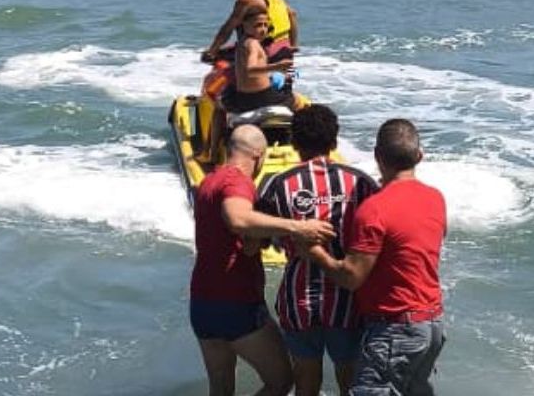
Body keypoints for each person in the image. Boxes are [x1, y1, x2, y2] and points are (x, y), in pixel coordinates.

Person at [298, 118, 448, 396]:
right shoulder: (435, 198)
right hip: (432, 324)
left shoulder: (375, 209)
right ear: (419, 155)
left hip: (395, 328)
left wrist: (315, 252)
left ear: (378, 157)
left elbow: (351, 277)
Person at [190, 124, 336, 396]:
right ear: (258, 155)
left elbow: (235, 236)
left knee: (220, 388)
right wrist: (298, 228)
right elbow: (238, 218)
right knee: (281, 381)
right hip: (235, 301)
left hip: (202, 302)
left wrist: (256, 240)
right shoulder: (238, 182)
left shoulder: (209, 180)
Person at [257, 105, 379, 395]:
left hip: (298, 300)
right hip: (348, 301)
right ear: (334, 142)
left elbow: (261, 239)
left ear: (294, 144)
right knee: (351, 382)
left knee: (306, 384)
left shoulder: (277, 183)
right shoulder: (361, 183)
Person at [197, 10, 295, 162]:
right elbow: (250, 69)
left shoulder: (243, 42)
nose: (262, 29)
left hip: (244, 99)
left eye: (265, 25)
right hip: (263, 98)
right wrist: (276, 67)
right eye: (257, 25)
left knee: (218, 106)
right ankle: (305, 144)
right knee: (299, 102)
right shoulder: (253, 44)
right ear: (245, 25)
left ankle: (211, 152)